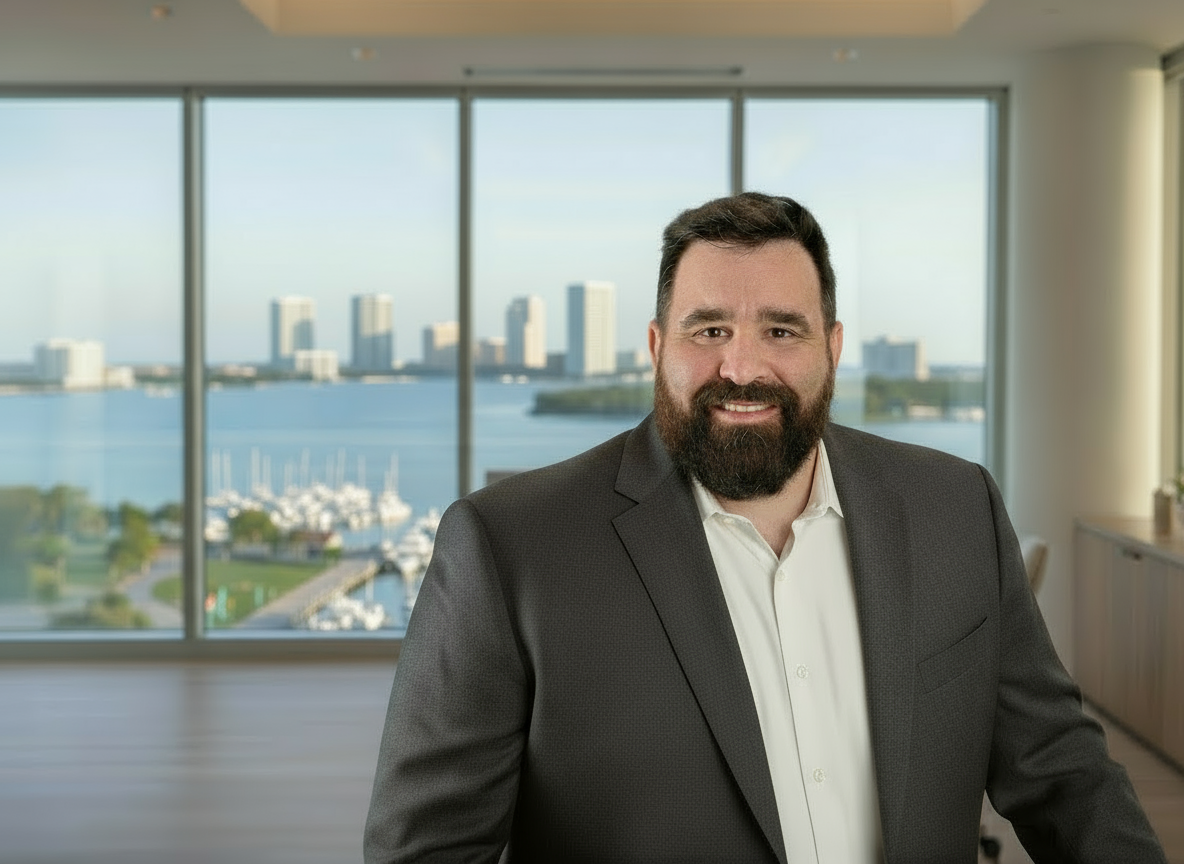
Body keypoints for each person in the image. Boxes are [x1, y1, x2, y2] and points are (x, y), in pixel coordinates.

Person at [364, 192, 1165, 863]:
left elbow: (1061, 772)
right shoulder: (511, 547)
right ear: (655, 348)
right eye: (709, 330)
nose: (742, 368)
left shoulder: (956, 507)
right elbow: (427, 851)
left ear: (833, 349)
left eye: (781, 330)